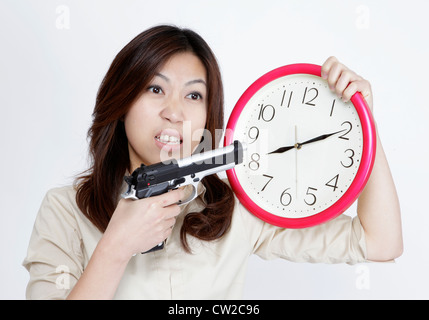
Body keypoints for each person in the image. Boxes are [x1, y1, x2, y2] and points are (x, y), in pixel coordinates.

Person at [23, 25, 403, 300]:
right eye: (156, 89)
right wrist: (115, 247)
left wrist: (362, 119)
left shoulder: (240, 207)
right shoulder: (65, 210)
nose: (174, 112)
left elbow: (379, 241)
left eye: (193, 96)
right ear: (121, 102)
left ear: (208, 115)